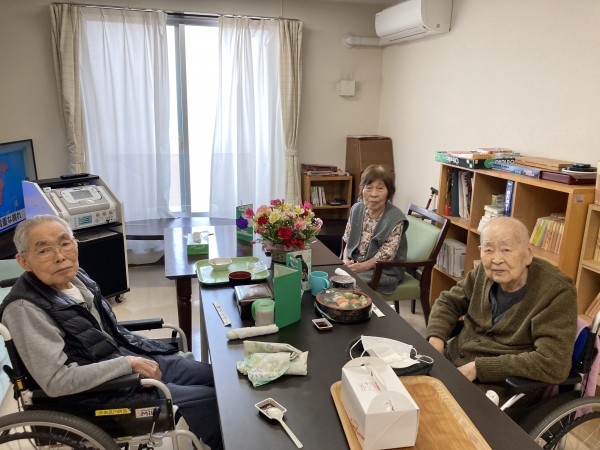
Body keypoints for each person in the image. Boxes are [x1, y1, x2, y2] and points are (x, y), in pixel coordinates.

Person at [0, 215, 223, 450]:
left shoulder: (77, 278)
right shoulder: (25, 309)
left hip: (119, 361)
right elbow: (57, 381)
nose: (60, 256)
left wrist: (146, 351)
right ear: (24, 261)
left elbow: (105, 333)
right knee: (213, 400)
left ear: (75, 244)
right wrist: (128, 364)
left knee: (217, 377)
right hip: (99, 394)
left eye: (65, 243)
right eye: (44, 250)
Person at [426, 216, 578, 404]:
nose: (496, 260)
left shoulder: (556, 291)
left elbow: (553, 363)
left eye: (506, 250)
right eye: (489, 250)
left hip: (501, 387)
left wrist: (480, 368)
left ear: (528, 253)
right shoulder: (483, 272)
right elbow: (448, 302)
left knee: (434, 410)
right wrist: (436, 340)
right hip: (454, 363)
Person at [342, 164, 408, 294]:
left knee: (348, 284)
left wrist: (361, 267)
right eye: (369, 187)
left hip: (384, 270)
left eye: (380, 188)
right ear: (362, 189)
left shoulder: (395, 218)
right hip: (356, 263)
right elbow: (347, 239)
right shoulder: (356, 209)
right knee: (331, 276)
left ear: (389, 193)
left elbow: (386, 256)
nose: (373, 194)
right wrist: (345, 260)